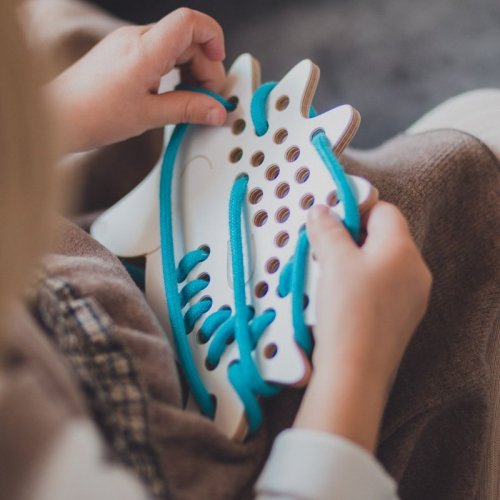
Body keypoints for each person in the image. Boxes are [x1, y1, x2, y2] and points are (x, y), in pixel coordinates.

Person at [3, 2, 497, 500]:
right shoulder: (34, 458)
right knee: (439, 219)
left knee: (74, 40)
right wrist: (356, 368)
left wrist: (49, 119)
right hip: (184, 436)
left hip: (60, 266)